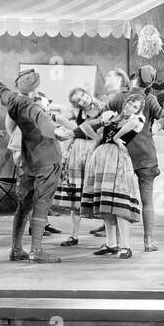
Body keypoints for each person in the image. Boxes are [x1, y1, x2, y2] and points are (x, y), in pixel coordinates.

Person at [0, 69, 64, 264]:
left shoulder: (12, 99)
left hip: (28, 161)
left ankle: (16, 249)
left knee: (24, 205)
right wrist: (57, 131)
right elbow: (44, 122)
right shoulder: (32, 106)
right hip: (47, 159)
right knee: (42, 204)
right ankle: (36, 250)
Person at [108, 65, 164, 253]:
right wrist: (158, 126)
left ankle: (118, 242)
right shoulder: (150, 100)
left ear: (134, 77)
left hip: (121, 154)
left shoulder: (119, 98)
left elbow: (103, 114)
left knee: (119, 200)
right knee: (147, 201)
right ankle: (148, 241)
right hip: (146, 156)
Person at [81, 98, 145, 259]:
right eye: (130, 103)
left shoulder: (137, 119)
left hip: (117, 159)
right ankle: (111, 244)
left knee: (119, 203)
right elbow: (85, 125)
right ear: (125, 103)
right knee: (105, 203)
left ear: (138, 110)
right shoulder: (110, 116)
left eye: (135, 107)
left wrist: (116, 137)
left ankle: (126, 246)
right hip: (101, 157)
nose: (130, 107)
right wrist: (96, 138)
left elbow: (131, 125)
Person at [56, 88, 104, 246]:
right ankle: (74, 235)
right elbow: (59, 118)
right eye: (78, 101)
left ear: (87, 92)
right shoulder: (77, 112)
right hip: (78, 150)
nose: (83, 100)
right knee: (76, 195)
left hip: (96, 149)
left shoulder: (103, 107)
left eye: (82, 96)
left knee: (100, 191)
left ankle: (111, 237)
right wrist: (75, 130)